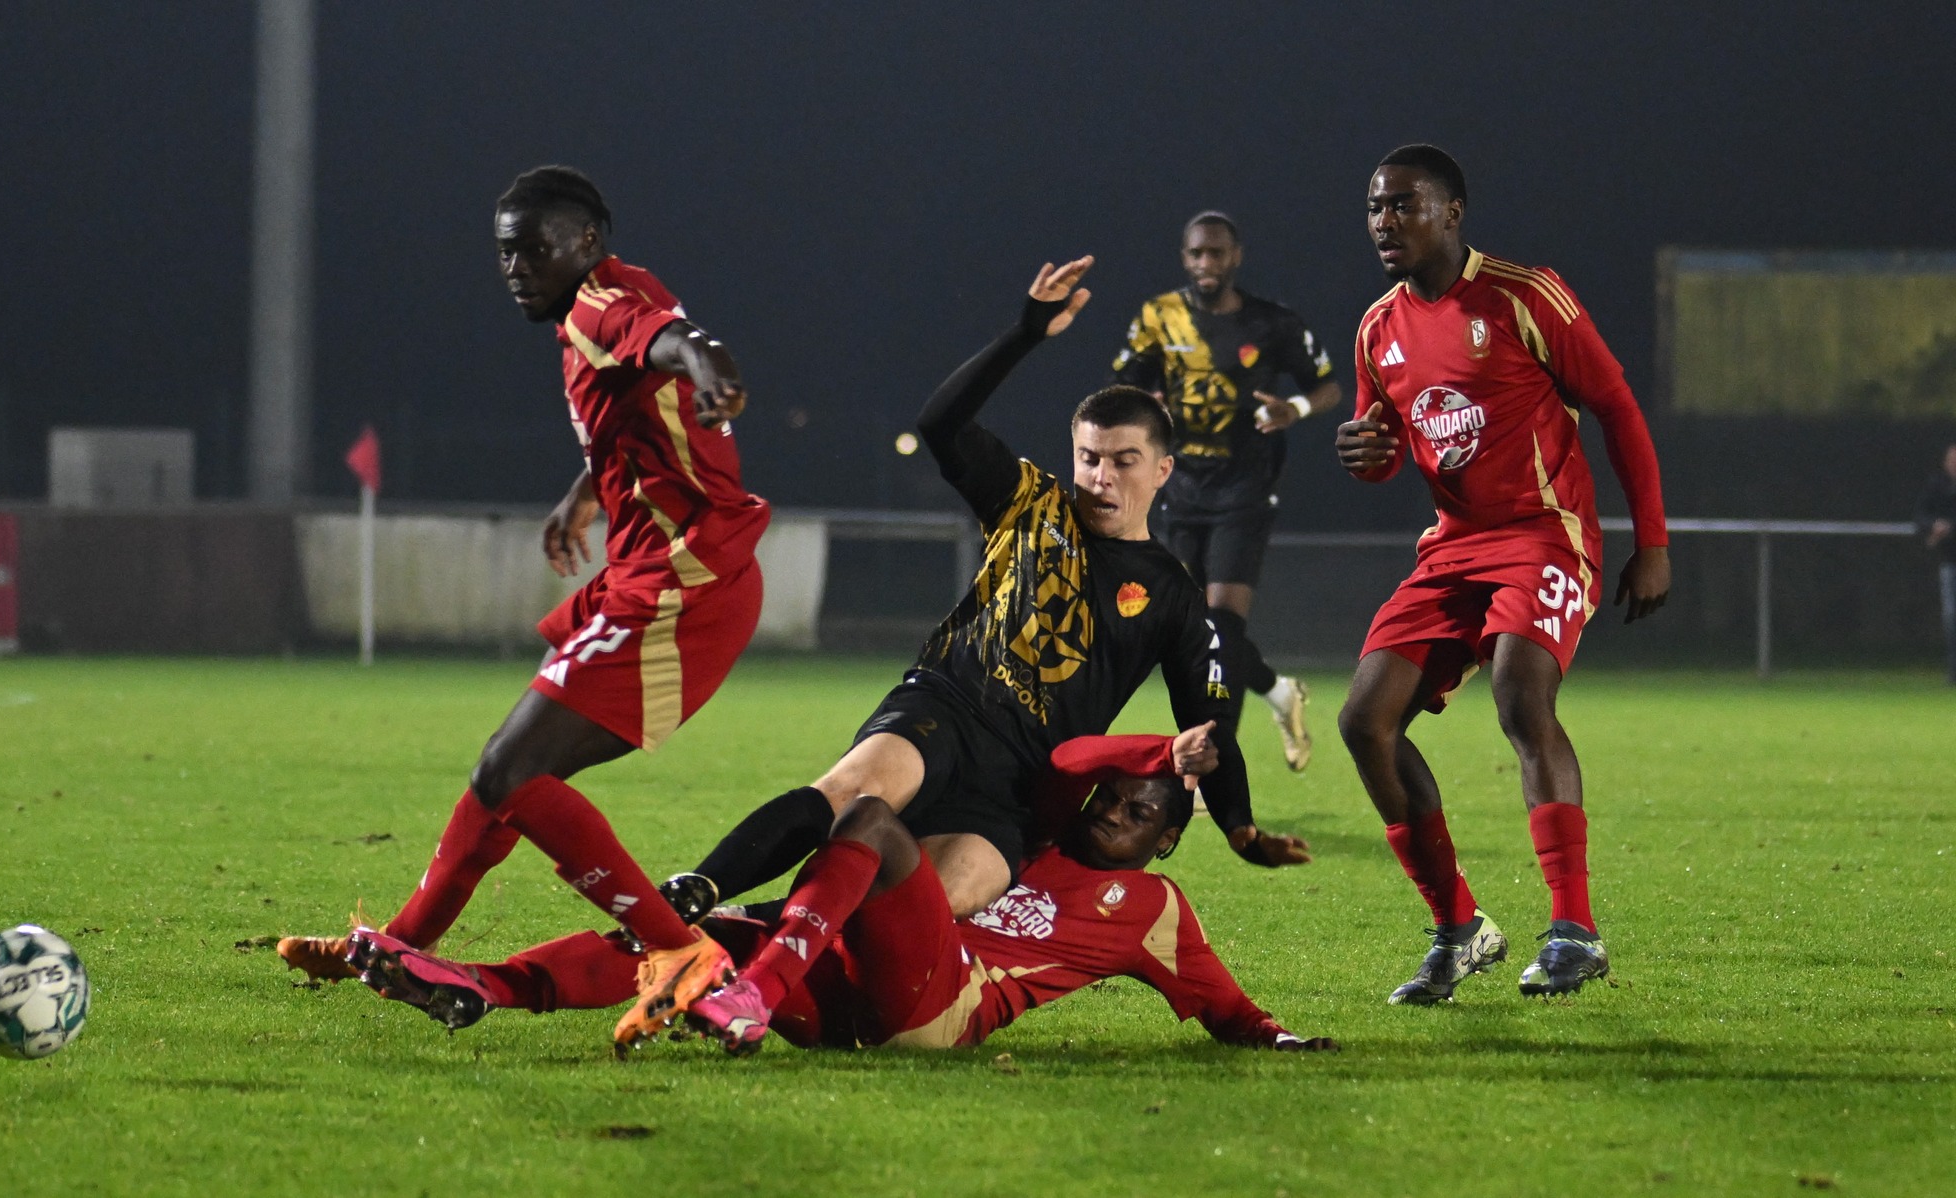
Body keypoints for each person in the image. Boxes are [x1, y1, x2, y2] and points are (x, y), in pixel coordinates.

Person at [661, 257, 1312, 968]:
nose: (1102, 477)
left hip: (1022, 783)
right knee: (856, 789)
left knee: (947, 896)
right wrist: (1026, 332)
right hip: (947, 707)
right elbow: (941, 423)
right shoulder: (1029, 499)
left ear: (1162, 471)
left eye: (1124, 461)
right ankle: (696, 890)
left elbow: (1208, 726)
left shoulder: (1175, 595)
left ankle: (740, 926)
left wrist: (1241, 828)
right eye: (1090, 458)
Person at [277, 165, 772, 1050]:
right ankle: (399, 949)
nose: (514, 268)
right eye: (504, 252)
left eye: (532, 249)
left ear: (586, 245)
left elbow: (674, 348)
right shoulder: (620, 290)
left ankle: (678, 951)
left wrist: (713, 370)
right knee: (503, 778)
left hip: (682, 581)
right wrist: (586, 491)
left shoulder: (597, 306)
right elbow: (643, 387)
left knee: (511, 770)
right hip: (662, 574)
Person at [343, 732, 1337, 1057]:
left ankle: (753, 993)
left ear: (1167, 838)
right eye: (1108, 798)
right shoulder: (1038, 827)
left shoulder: (1154, 907)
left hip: (941, 1003)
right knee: (701, 931)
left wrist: (1276, 1036)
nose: (1106, 807)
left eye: (1132, 812)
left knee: (864, 822)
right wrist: (1155, 750)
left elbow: (1221, 1007)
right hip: (852, 979)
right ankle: (476, 981)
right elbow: (1070, 754)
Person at [1332, 145, 1671, 1004]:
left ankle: (1574, 931)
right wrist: (1364, 456)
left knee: (1521, 691)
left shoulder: (1525, 295)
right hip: (1452, 547)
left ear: (1452, 211)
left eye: (1404, 204)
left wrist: (1654, 541)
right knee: (1364, 720)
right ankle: (1458, 928)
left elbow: (1618, 405)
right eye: (1375, 207)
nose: (1384, 221)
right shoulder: (1378, 328)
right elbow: (1393, 449)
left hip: (1545, 534)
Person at [1112, 212, 1342, 770]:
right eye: (1196, 255)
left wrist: (1296, 408)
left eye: (1216, 254)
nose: (1206, 264)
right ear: (1184, 258)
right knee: (1186, 631)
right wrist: (1148, 404)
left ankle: (1211, 762)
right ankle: (1278, 691)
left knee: (1222, 626)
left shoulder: (1272, 323)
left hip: (1244, 488)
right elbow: (1123, 379)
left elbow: (1329, 387)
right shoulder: (1159, 317)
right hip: (1180, 487)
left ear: (1235, 257)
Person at [1916, 444, 1956, 684]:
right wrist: (1932, 526)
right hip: (1950, 563)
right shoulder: (1937, 486)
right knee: (1951, 618)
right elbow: (1920, 515)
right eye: (1952, 461)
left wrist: (1947, 529)